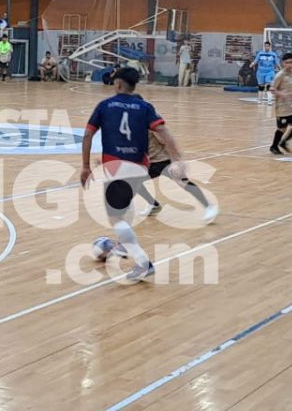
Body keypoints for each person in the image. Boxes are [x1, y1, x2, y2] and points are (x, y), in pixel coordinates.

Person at [81, 67, 215, 282]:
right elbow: (164, 131)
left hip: (116, 167)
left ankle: (141, 262)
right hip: (139, 167)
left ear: (117, 84)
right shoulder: (145, 107)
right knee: (123, 212)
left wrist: (85, 167)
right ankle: (124, 245)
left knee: (116, 218)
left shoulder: (105, 106)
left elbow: (88, 134)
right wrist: (177, 159)